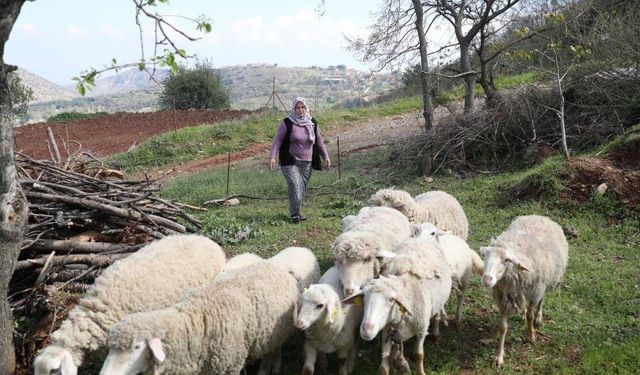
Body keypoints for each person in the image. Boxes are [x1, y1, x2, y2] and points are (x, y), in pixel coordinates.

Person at [268, 97, 331, 223]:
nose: (300, 110)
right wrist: (272, 157)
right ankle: (294, 215)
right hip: (290, 161)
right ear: (294, 108)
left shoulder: (312, 122)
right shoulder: (287, 123)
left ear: (306, 108)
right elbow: (277, 141)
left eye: (303, 107)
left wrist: (326, 157)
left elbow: (319, 141)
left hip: (307, 162)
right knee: (295, 185)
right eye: (297, 107)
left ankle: (296, 212)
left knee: (302, 188)